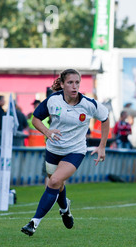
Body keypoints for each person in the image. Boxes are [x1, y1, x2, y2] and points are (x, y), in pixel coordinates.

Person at [21, 69, 109, 236]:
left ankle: (34, 222)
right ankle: (65, 208)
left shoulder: (89, 104)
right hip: (53, 150)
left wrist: (102, 146)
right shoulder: (53, 100)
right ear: (62, 84)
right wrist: (47, 132)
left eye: (77, 83)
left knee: (53, 181)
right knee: (57, 183)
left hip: (75, 151)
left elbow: (105, 119)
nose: (74, 86)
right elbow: (35, 119)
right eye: (70, 82)